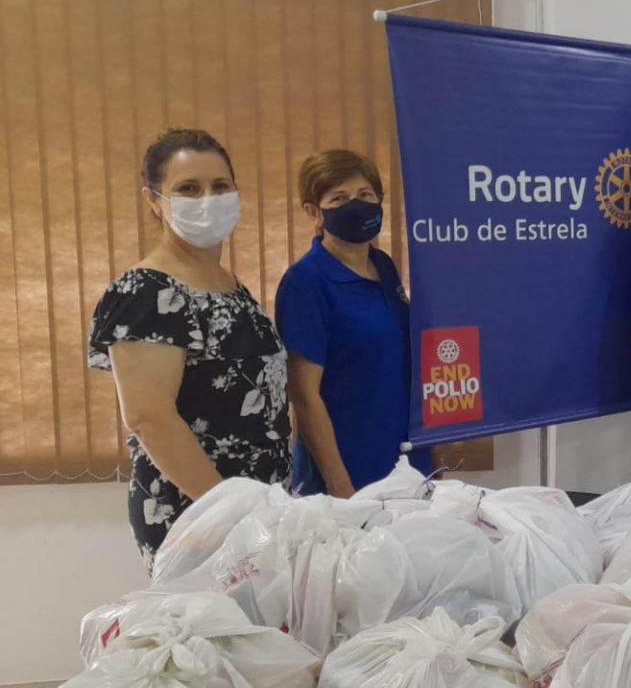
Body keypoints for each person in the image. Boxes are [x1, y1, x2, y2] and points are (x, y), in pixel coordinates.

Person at [88, 128, 290, 570]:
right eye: (189, 189)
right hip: (199, 513)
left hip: (260, 508)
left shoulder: (228, 285)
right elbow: (149, 418)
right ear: (154, 201)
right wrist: (230, 514)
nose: (208, 200)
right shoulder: (147, 293)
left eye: (220, 186)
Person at [275, 149, 429, 497]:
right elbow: (303, 394)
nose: (356, 206)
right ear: (314, 212)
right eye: (339, 198)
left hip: (404, 461)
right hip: (347, 471)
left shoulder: (383, 266)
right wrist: (338, 483)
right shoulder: (306, 282)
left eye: (365, 195)